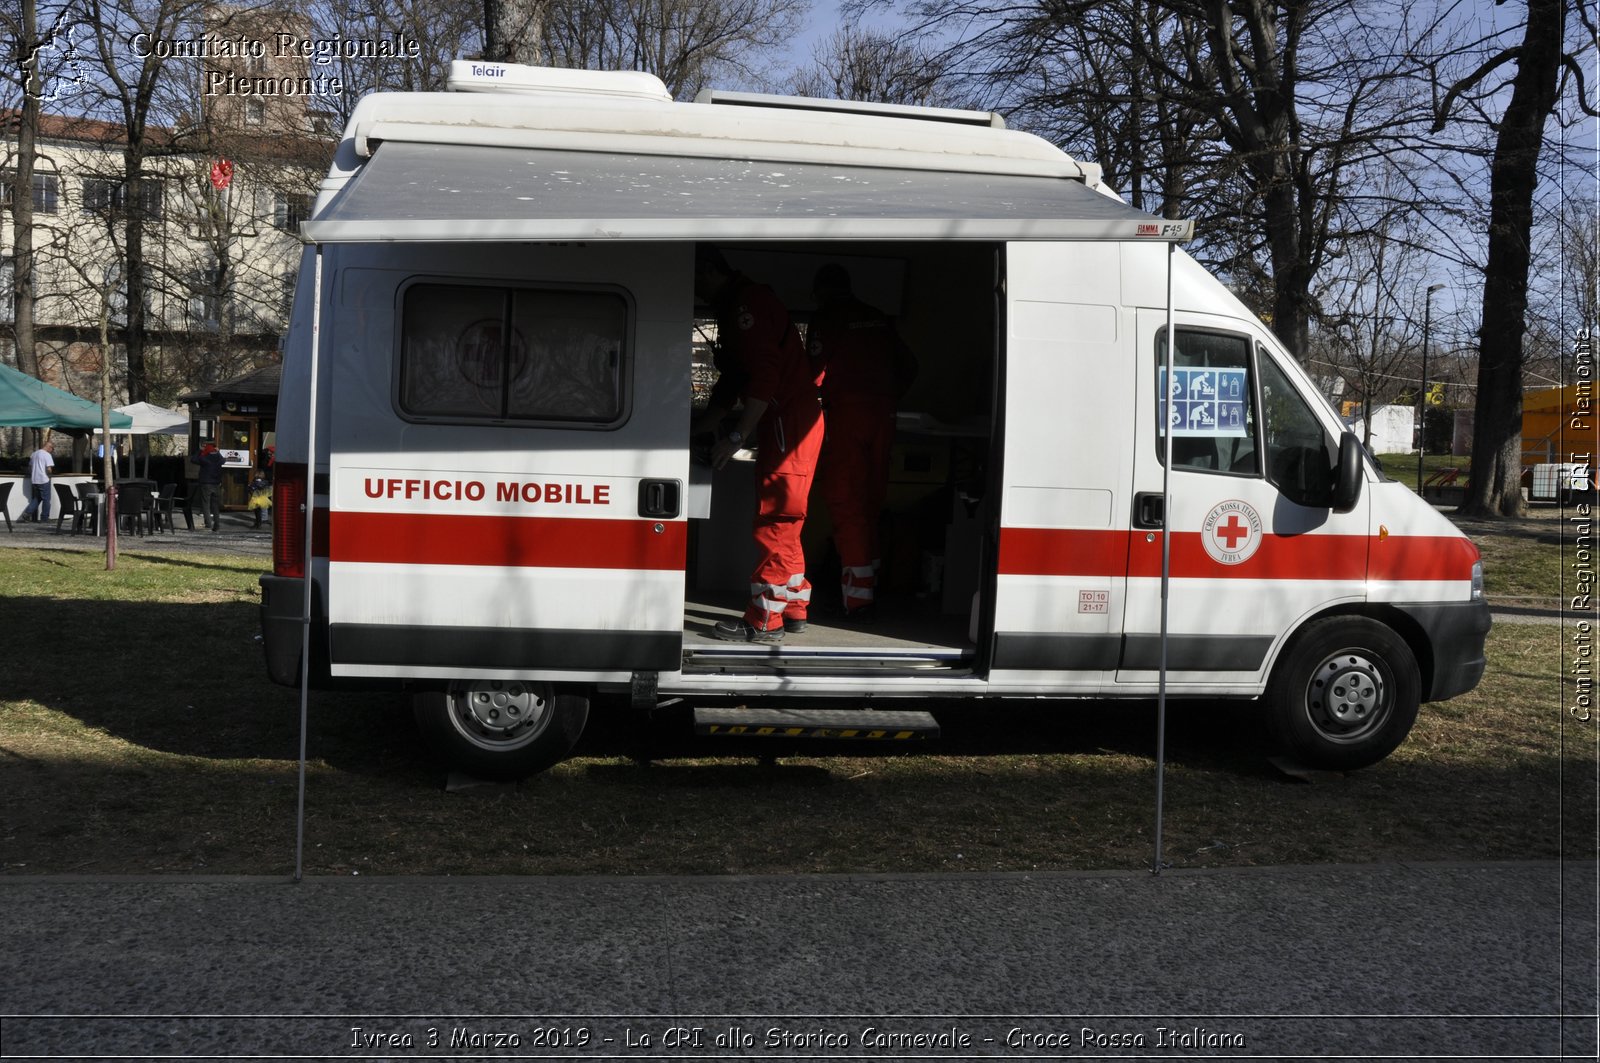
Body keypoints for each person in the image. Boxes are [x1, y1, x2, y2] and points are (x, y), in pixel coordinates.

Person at [692, 246, 824, 643]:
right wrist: (701, 426)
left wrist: (735, 436)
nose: (697, 292)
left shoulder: (746, 306)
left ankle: (763, 620)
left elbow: (763, 377)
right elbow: (733, 383)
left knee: (776, 519)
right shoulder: (736, 306)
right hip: (788, 418)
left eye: (698, 280)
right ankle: (795, 605)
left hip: (789, 421)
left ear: (713, 272)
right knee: (789, 521)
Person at [807, 264, 917, 620]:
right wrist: (887, 398)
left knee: (846, 504)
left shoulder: (826, 318)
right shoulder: (878, 317)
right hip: (884, 417)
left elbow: (813, 373)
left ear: (821, 290)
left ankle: (858, 602)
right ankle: (870, 589)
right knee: (870, 503)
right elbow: (909, 365)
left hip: (848, 418)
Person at [18, 438, 54, 523]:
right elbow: (49, 469)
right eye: (52, 449)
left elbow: (30, 467)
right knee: (46, 499)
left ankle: (27, 513)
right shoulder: (47, 455)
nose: (52, 451)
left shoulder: (34, 454)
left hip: (34, 480)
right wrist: (50, 474)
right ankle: (44, 518)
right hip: (43, 479)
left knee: (38, 498)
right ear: (49, 447)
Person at [191, 442, 225, 532]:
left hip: (206, 484)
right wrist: (218, 452)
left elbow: (193, 459)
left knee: (206, 504)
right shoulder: (218, 458)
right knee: (215, 505)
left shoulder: (204, 458)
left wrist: (200, 451)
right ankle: (217, 524)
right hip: (216, 484)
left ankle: (208, 524)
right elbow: (223, 460)